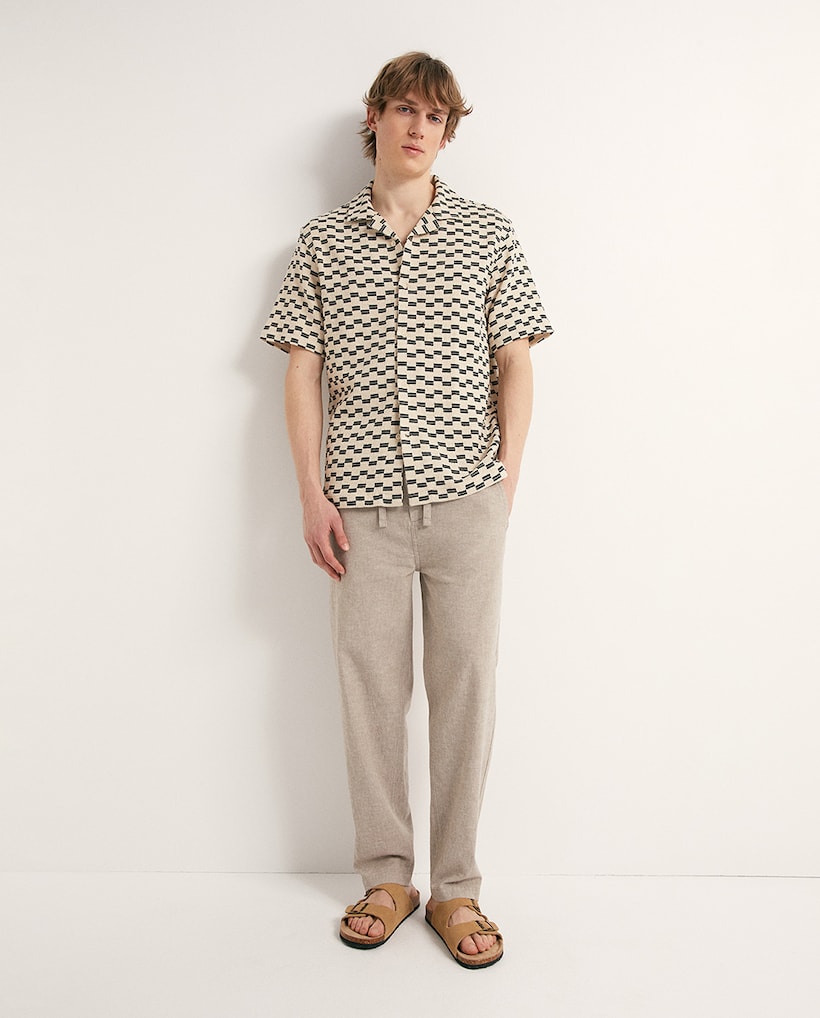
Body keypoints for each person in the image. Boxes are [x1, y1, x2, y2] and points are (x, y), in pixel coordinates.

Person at [261, 52, 552, 969]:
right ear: (375, 118)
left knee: (467, 693)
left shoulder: (487, 232)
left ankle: (457, 888)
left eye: (435, 115)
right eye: (404, 110)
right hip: (360, 510)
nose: (419, 127)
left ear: (449, 131)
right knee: (370, 694)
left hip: (468, 501)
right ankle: (388, 878)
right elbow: (301, 370)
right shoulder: (321, 242)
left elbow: (516, 360)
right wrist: (311, 492)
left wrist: (504, 485)